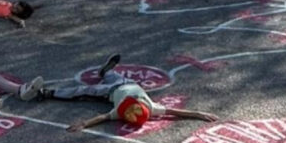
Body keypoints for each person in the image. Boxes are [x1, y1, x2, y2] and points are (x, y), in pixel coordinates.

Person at [38, 54, 217, 131]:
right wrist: (198, 113)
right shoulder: (151, 107)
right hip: (127, 82)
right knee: (110, 74)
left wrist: (84, 124)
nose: (130, 101)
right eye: (133, 102)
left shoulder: (119, 112)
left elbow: (102, 118)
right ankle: (105, 70)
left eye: (128, 103)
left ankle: (50, 93)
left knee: (83, 90)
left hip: (109, 91)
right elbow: (174, 112)